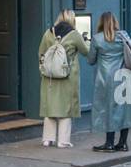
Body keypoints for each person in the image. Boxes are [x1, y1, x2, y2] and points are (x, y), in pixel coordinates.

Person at [87, 11, 131, 152]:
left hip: (105, 79)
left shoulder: (97, 39)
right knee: (125, 110)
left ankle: (109, 143)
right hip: (124, 76)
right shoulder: (123, 36)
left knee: (107, 109)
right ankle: (122, 143)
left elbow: (91, 60)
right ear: (115, 22)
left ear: (101, 23)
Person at [38, 9, 91, 149]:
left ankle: (47, 139)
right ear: (72, 19)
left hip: (49, 76)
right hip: (68, 76)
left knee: (50, 106)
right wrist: (87, 41)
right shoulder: (74, 35)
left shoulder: (48, 33)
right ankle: (63, 141)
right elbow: (86, 51)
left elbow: (41, 53)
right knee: (66, 108)